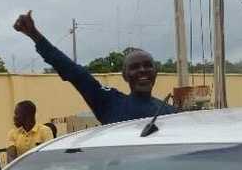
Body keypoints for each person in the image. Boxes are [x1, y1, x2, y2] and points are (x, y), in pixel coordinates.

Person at [14, 10, 176, 124]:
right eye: (135, 67)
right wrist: (34, 35)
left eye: (147, 66)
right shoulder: (110, 103)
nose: (142, 71)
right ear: (125, 75)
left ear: (156, 72)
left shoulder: (172, 114)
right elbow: (76, 73)